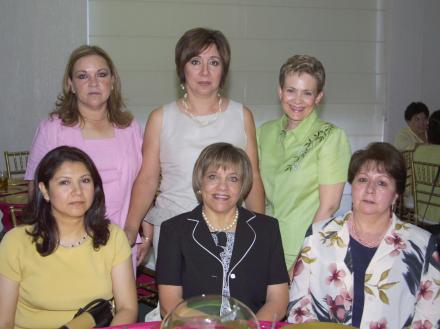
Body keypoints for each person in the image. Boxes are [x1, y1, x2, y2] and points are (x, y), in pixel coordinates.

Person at [124, 27, 265, 262]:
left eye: (214, 62)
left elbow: (253, 179)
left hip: (229, 229)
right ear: (182, 68)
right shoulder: (161, 118)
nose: (205, 72)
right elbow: (148, 178)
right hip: (174, 229)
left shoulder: (242, 115)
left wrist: (261, 231)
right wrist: (130, 227)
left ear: (224, 70)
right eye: (195, 61)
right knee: (176, 299)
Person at [287, 142, 440, 328]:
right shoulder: (319, 235)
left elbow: (429, 317)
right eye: (362, 180)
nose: (370, 189)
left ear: (396, 195)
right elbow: (298, 306)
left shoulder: (422, 245)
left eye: (382, 182)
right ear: (352, 185)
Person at [24, 45, 145, 264]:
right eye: (83, 76)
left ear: (113, 81)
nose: (93, 82)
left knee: (121, 299)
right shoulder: (53, 129)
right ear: (70, 85)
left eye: (101, 74)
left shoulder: (130, 128)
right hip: (66, 243)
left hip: (122, 239)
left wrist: (135, 227)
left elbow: (142, 182)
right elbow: (36, 189)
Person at [0, 146, 138, 328]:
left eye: (85, 181)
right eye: (65, 182)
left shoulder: (112, 237)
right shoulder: (16, 242)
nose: (78, 191)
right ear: (45, 190)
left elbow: (127, 308)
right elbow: (4, 320)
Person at [156, 143, 289, 320]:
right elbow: (169, 302)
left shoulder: (267, 229)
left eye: (233, 179)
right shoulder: (174, 230)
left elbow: (278, 299)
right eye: (213, 177)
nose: (222, 187)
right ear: (200, 182)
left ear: (243, 186)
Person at [257, 55, 351, 268]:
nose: (297, 100)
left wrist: (302, 262)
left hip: (303, 251)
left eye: (307, 93)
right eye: (291, 90)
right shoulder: (264, 133)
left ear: (318, 97)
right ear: (280, 91)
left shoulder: (330, 137)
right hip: (264, 246)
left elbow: (328, 207)